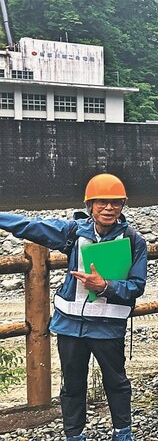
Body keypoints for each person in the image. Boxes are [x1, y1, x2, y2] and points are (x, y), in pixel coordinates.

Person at [0, 173, 147, 441]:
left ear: (123, 205)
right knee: (72, 386)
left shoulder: (133, 241)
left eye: (115, 202)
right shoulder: (73, 232)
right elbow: (31, 226)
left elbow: (137, 286)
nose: (109, 208)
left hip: (108, 327)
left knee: (116, 382)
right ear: (89, 205)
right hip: (70, 327)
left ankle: (123, 434)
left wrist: (105, 286)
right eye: (101, 202)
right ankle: (74, 436)